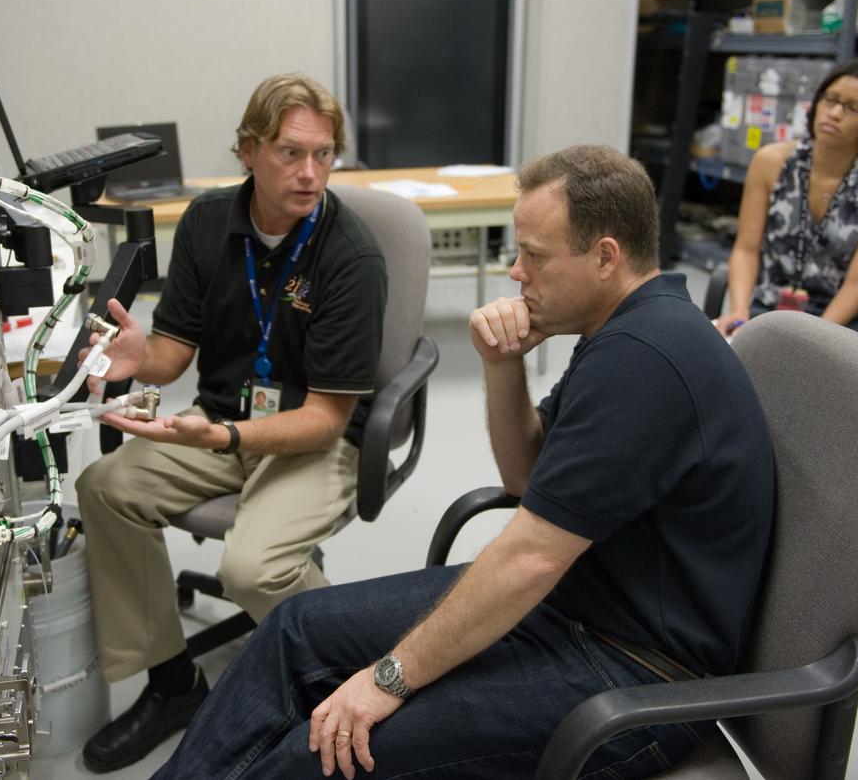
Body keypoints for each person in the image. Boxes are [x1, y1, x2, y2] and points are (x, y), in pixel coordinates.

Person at [151, 145, 776, 779]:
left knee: (325, 751)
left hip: (634, 674)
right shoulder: (622, 328)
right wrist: (501, 363)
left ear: (605, 257)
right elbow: (525, 479)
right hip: (574, 609)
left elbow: (532, 555)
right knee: (292, 630)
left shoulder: (645, 360)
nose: (515, 271)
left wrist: (388, 679)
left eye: (534, 254)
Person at [74, 73, 387, 773]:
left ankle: (367, 675)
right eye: (289, 152)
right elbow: (172, 352)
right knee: (104, 486)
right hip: (221, 418)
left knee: (250, 567)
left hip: (313, 439)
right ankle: (172, 682)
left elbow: (326, 419)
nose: (310, 173)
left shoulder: (350, 256)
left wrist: (224, 436)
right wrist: (136, 359)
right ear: (249, 150)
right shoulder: (208, 223)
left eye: (325, 154)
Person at [716, 57, 858, 344]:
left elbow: (857, 283)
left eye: (852, 108)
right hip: (772, 306)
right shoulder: (770, 162)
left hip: (850, 320)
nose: (834, 113)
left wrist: (809, 343)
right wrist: (740, 310)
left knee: (824, 382)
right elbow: (746, 249)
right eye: (830, 99)